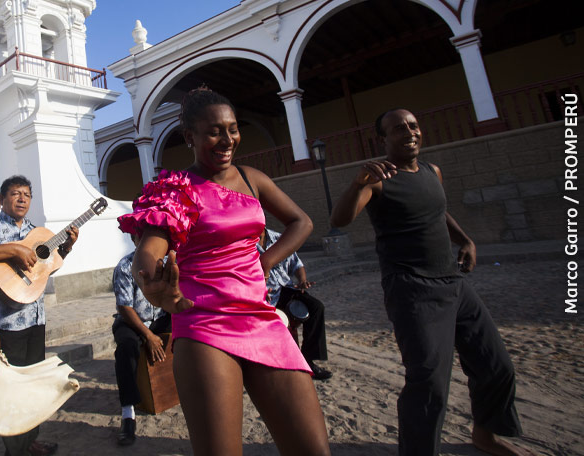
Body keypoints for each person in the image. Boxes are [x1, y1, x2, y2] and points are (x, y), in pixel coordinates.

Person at [119, 87, 330, 456]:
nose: (227, 139)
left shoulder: (252, 179)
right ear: (190, 137)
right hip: (204, 325)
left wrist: (264, 262)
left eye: (232, 128)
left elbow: (302, 222)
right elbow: (147, 253)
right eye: (214, 131)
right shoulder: (175, 190)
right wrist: (152, 285)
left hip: (261, 318)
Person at [330, 108, 535, 456]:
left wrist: (465, 240)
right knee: (429, 381)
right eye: (398, 129)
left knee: (496, 365)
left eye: (413, 126)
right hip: (412, 290)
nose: (409, 132)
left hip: (454, 284)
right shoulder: (379, 179)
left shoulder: (431, 171)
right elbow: (340, 219)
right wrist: (357, 182)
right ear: (383, 140)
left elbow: (438, 211)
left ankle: (485, 436)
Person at [0, 175, 78, 456]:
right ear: (2, 200)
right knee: (12, 390)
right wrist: (13, 249)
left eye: (26, 194)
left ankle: (30, 442)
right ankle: (15, 450)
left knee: (32, 387)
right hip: (5, 324)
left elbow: (44, 269)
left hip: (35, 320)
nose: (22, 198)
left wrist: (66, 248)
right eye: (15, 194)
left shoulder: (36, 232)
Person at [111, 233, 171, 446]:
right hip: (133, 321)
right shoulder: (125, 266)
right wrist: (148, 336)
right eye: (142, 236)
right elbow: (125, 307)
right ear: (135, 238)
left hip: (160, 319)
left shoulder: (169, 262)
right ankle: (128, 413)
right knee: (126, 347)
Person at [259, 228, 332, 381]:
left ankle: (309, 360)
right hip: (266, 295)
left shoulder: (280, 238)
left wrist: (302, 280)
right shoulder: (245, 245)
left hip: (287, 288)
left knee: (316, 307)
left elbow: (297, 264)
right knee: (279, 324)